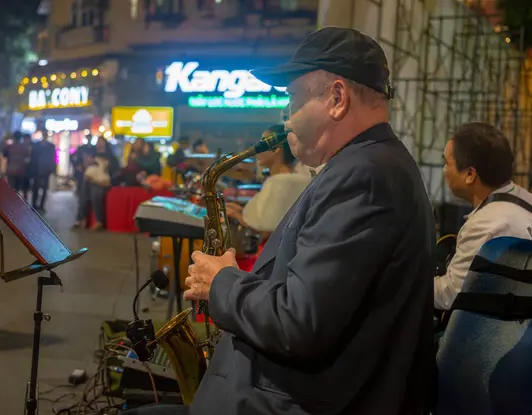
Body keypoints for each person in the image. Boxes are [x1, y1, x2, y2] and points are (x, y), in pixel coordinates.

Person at [125, 27, 436, 415]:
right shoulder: (368, 166)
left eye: (292, 98)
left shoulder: (364, 176)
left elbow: (300, 322)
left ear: (337, 98)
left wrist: (221, 281)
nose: (285, 115)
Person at [434, 122, 532, 310]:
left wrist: (409, 286)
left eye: (447, 163)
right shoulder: (525, 199)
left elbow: (451, 295)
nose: (444, 171)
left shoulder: (484, 224)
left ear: (470, 174)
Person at [226, 124, 310, 239]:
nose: (257, 149)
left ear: (276, 149)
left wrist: (235, 215)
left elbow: (267, 232)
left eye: (262, 144)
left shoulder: (281, 181)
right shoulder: (285, 179)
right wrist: (240, 211)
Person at [30, 130, 57, 212]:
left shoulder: (49, 146)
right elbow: (33, 158)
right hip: (38, 169)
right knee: (36, 188)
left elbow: (53, 158)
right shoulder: (38, 145)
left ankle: (41, 205)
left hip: (45, 169)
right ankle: (35, 205)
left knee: (44, 189)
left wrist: (52, 168)